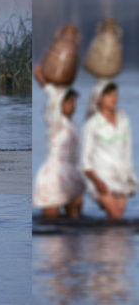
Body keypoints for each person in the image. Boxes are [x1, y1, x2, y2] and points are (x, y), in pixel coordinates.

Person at [32, 65, 84, 218]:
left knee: (75, 218)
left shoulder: (72, 124)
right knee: (51, 220)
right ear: (61, 104)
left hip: (72, 173)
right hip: (54, 175)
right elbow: (54, 98)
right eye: (69, 102)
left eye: (74, 102)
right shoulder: (55, 121)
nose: (72, 106)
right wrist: (43, 81)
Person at [81, 80, 136, 219]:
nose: (114, 98)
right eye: (109, 95)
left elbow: (127, 152)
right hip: (101, 177)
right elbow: (84, 161)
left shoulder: (124, 120)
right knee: (115, 214)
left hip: (121, 176)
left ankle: (101, 240)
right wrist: (98, 182)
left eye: (115, 94)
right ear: (99, 98)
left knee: (117, 219)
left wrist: (131, 179)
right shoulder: (92, 124)